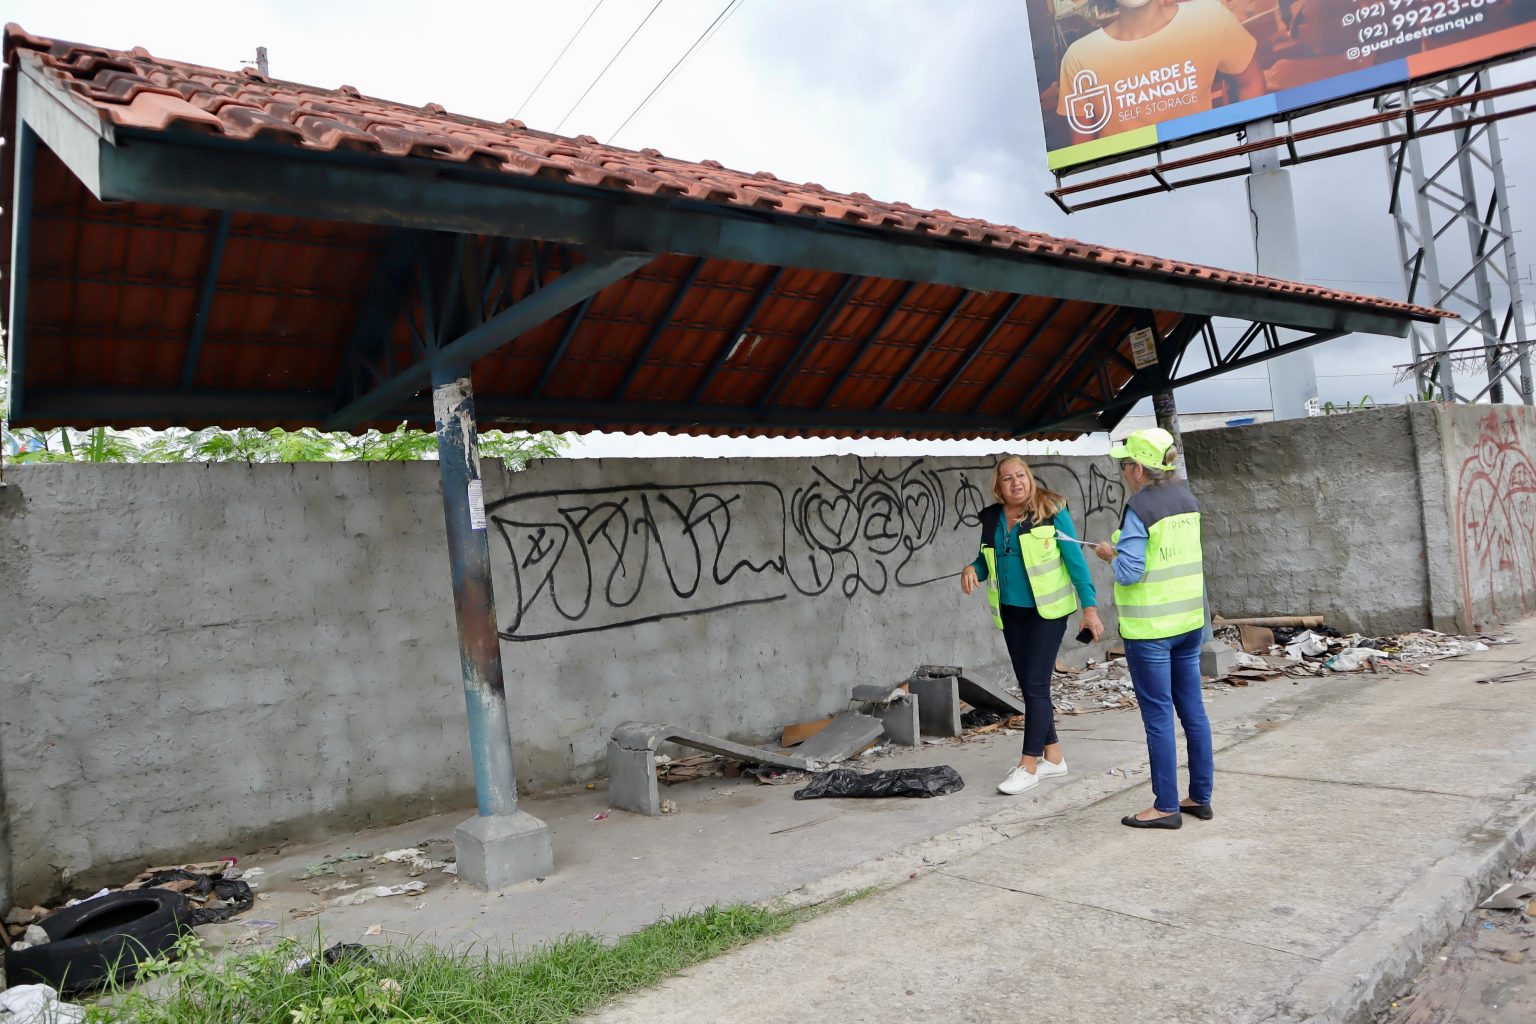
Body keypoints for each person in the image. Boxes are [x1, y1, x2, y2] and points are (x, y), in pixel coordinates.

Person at [1091, 428, 1213, 830]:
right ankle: (1199, 796)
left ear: (1139, 468)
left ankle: (1165, 805)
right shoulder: (1187, 500)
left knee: (1158, 716)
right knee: (1192, 710)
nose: (1124, 471)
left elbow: (1130, 572)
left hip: (1151, 630)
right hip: (1189, 622)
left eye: (1126, 465)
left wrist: (1111, 554)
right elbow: (1167, 554)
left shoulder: (1139, 507)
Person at [960, 456, 1103, 795]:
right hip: (1011, 613)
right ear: (999, 486)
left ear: (1031, 478)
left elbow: (1076, 563)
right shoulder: (992, 518)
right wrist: (972, 569)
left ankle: (1028, 764)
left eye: (1021, 475)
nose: (1016, 482)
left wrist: (1090, 609)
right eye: (1007, 478)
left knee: (1036, 686)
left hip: (1047, 613)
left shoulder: (1051, 512)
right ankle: (1053, 758)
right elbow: (987, 560)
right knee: (1029, 685)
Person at [1057, 0, 1265, 144]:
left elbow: (1251, 82)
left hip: (1202, 164)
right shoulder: (1079, 57)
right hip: (1131, 187)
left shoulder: (1209, 17)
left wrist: (1244, 144)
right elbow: (1083, 149)